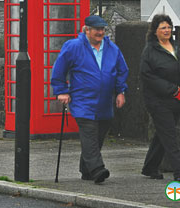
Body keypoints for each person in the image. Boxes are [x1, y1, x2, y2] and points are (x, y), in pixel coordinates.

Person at [51, 15, 128, 184]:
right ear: (87, 30)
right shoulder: (73, 47)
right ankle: (97, 169)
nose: (100, 32)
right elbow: (59, 70)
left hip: (105, 102)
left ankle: (86, 170)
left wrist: (121, 91)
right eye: (96, 29)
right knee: (90, 133)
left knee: (98, 136)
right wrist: (61, 91)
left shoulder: (112, 48)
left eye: (102, 29)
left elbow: (122, 70)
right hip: (82, 100)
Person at [139, 13, 180, 184]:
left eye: (168, 27)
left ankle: (150, 167)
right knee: (170, 136)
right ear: (155, 31)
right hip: (158, 102)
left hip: (178, 101)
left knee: (162, 134)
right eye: (162, 27)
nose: (166, 30)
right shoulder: (149, 51)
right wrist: (173, 90)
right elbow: (147, 76)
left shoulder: (176, 46)